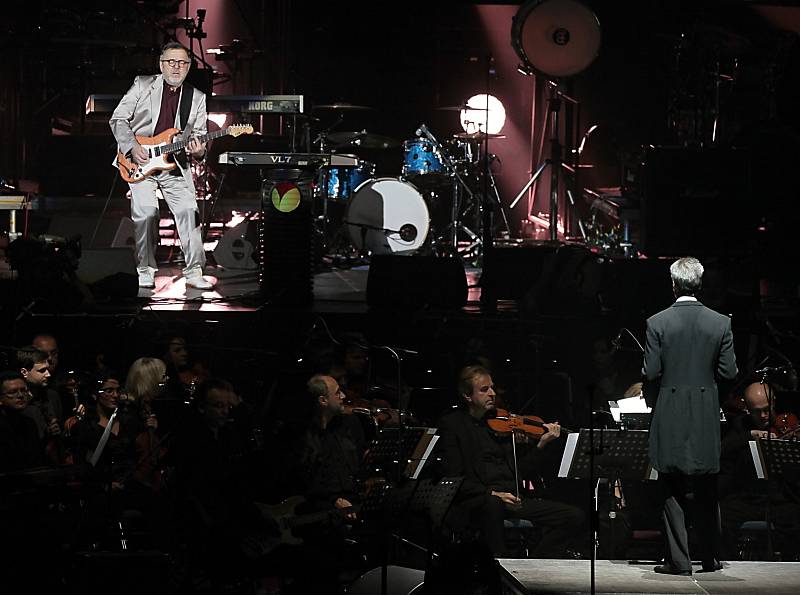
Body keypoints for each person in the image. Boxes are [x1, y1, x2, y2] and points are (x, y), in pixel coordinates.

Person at [643, 256, 738, 575]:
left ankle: (679, 560)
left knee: (671, 485)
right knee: (707, 486)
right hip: (705, 413)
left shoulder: (657, 322)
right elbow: (729, 371)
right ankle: (711, 557)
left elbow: (652, 371)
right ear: (699, 284)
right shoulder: (720, 322)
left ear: (673, 285)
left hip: (669, 412)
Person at [438, 364, 585, 558]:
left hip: (513, 498)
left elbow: (520, 470)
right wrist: (493, 493)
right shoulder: (453, 425)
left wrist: (541, 444)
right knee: (493, 504)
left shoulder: (502, 422)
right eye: (484, 390)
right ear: (467, 396)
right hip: (480, 500)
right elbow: (454, 477)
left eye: (492, 387)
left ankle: (535, 563)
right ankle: (499, 564)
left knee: (574, 516)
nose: (492, 393)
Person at [109, 40, 212, 290]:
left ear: (189, 67)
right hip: (139, 161)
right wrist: (132, 146)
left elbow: (199, 137)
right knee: (146, 212)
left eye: (183, 63)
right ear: (161, 64)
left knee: (190, 211)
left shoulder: (196, 98)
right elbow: (118, 119)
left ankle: (195, 270)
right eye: (171, 62)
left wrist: (199, 151)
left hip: (174, 163)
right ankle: (145, 268)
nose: (177, 67)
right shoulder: (143, 85)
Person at [719, 380, 800, 559]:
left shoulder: (786, 423)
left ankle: (788, 563)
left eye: (767, 409)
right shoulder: (741, 426)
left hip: (778, 499)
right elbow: (722, 449)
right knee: (720, 517)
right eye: (757, 411)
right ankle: (734, 562)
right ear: (748, 409)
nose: (764, 416)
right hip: (747, 500)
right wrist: (751, 435)